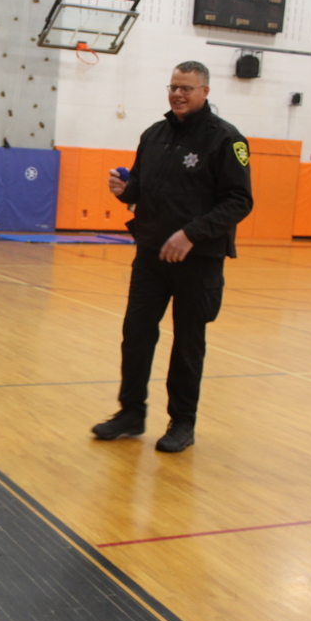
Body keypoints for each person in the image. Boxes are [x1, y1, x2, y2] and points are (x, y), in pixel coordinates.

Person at [92, 60, 253, 453]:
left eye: (187, 88)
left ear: (205, 92)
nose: (178, 94)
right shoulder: (154, 135)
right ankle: (130, 413)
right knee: (136, 335)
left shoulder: (226, 139)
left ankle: (182, 422)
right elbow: (141, 189)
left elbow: (239, 201)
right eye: (173, 87)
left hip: (198, 262)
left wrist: (191, 234)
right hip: (151, 257)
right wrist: (125, 190)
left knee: (187, 343)